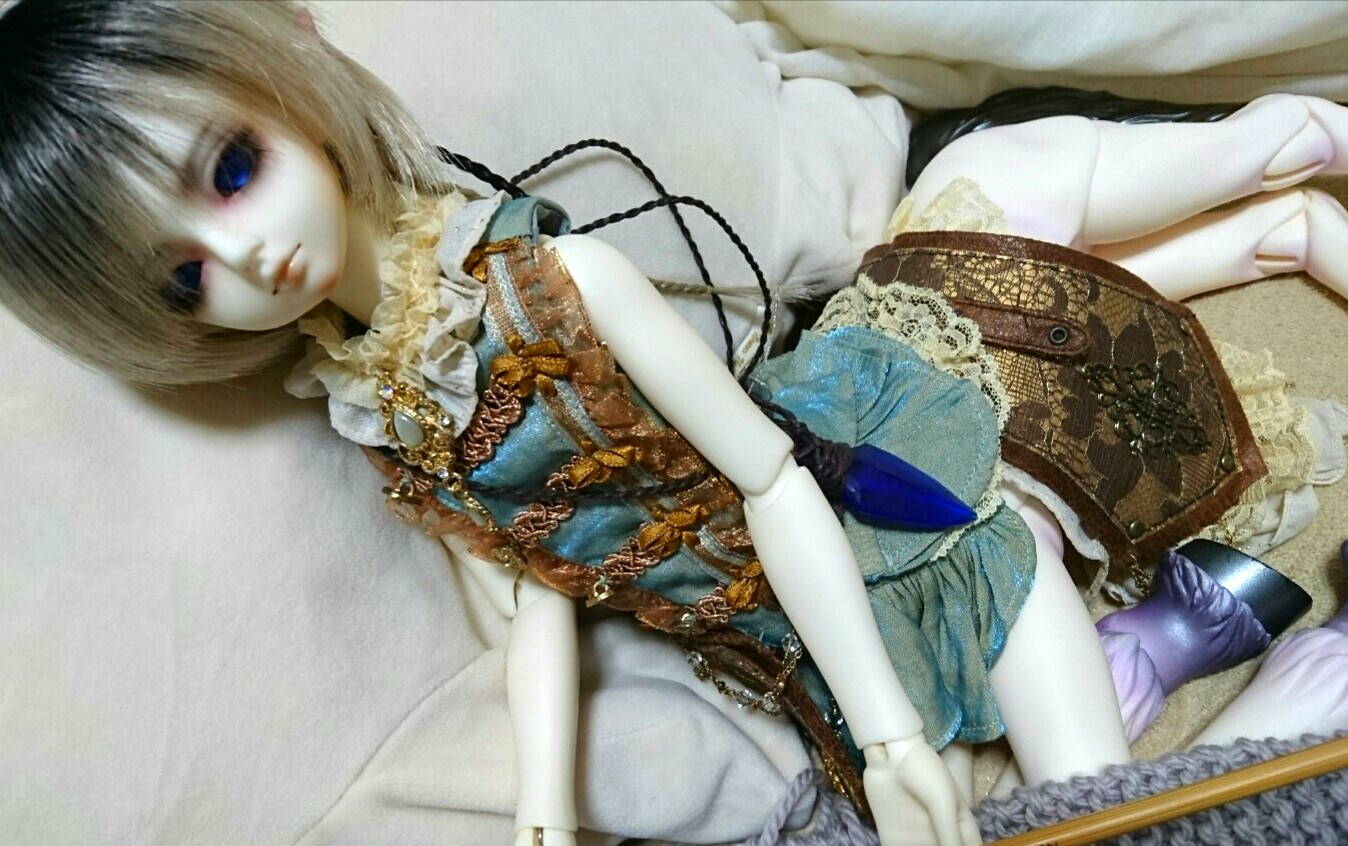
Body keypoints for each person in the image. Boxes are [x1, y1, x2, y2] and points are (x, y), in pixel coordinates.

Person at [3, 3, 1346, 845]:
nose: (250, 257)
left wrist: (887, 731)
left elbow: (773, 477)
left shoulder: (552, 280)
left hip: (892, 517)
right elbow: (534, 593)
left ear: (289, 68)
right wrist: (545, 808)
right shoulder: (378, 403)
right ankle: (1174, 648)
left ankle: (1267, 703)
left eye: (233, 167)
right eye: (184, 278)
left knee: (1097, 809)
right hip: (784, 648)